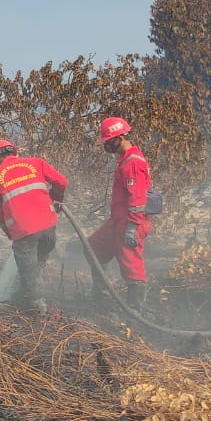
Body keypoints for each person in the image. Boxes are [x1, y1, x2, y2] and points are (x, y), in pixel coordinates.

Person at [0, 139, 68, 314]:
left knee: (29, 272)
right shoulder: (36, 162)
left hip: (24, 231)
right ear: (13, 153)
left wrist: (9, 232)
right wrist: (56, 198)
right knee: (37, 264)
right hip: (49, 226)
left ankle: (37, 311)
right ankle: (30, 295)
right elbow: (62, 182)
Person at [87, 116, 153, 312]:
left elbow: (137, 198)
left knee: (131, 264)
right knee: (93, 247)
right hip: (118, 220)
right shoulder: (125, 160)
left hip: (131, 222)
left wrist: (132, 227)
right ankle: (102, 297)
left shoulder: (132, 163)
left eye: (108, 141)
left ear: (119, 138)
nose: (106, 145)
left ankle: (136, 310)